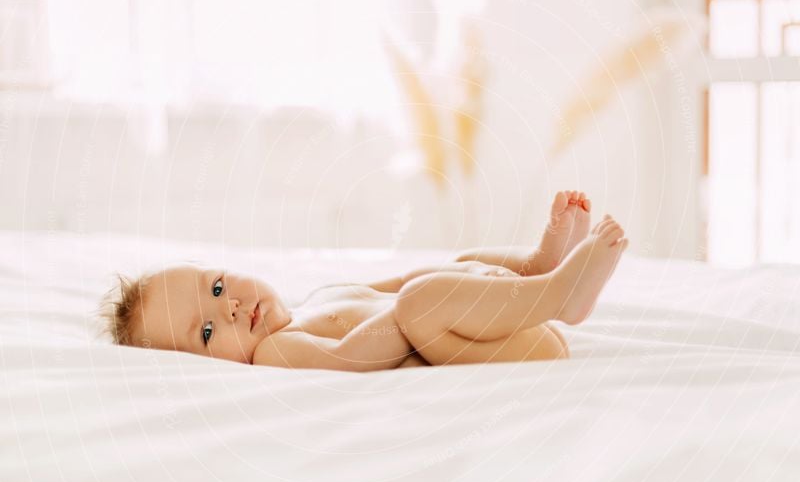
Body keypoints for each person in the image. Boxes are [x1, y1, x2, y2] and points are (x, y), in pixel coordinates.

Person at [99, 191, 627, 371]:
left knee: (442, 268)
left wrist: (450, 277)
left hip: (496, 320)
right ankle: (561, 296)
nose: (231, 309)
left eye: (216, 288)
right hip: (501, 345)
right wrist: (409, 309)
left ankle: (536, 269)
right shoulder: (276, 351)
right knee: (420, 302)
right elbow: (349, 357)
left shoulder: (315, 299)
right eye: (208, 333)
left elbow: (397, 280)